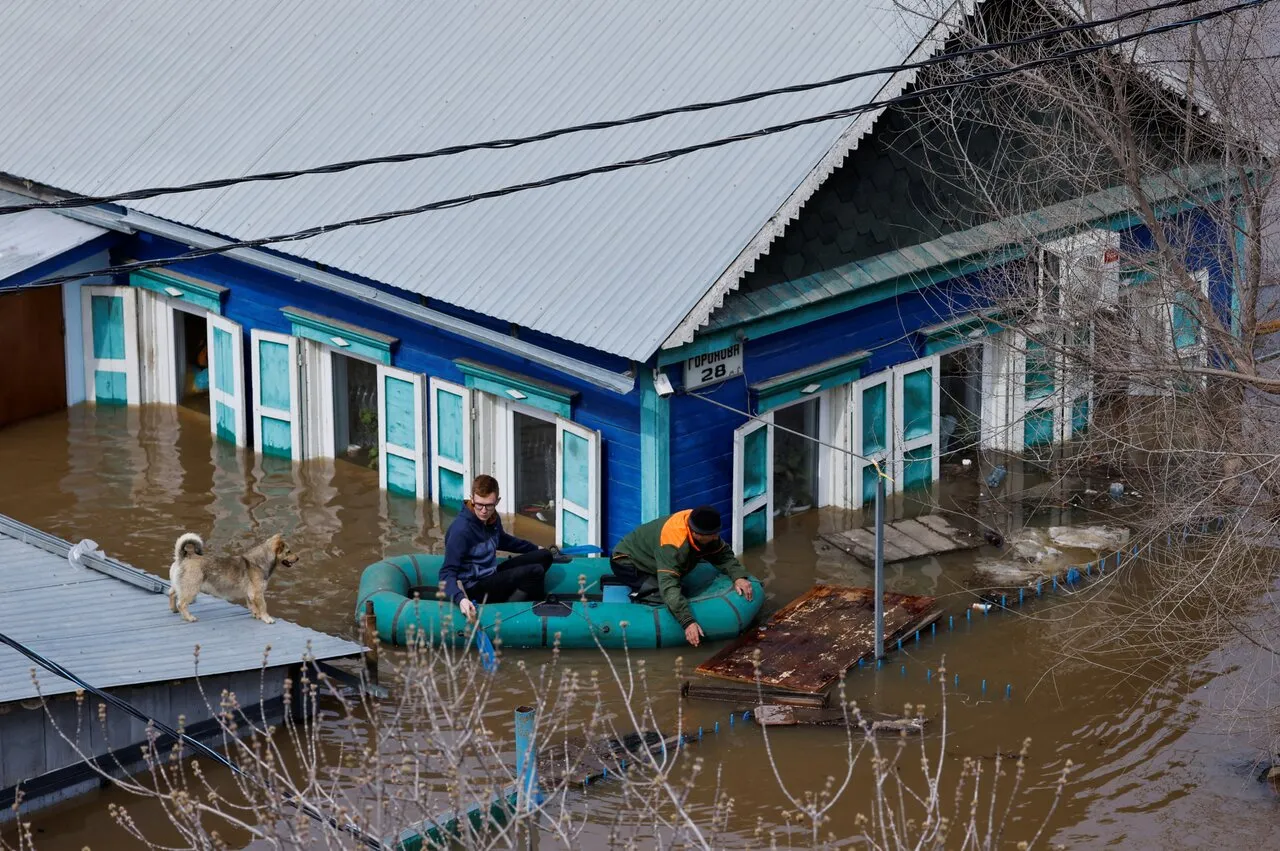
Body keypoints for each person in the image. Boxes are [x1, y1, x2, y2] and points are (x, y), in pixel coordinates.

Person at [609, 505, 756, 647]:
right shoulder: (673, 544)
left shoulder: (702, 526)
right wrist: (687, 621)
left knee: (681, 590)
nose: (716, 537)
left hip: (653, 558)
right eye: (712, 535)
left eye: (717, 533)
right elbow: (669, 585)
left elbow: (723, 556)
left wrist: (739, 576)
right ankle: (641, 598)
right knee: (669, 595)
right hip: (627, 562)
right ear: (696, 534)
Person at [439, 475, 555, 620]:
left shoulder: (492, 518)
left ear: (497, 501)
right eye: (479, 504)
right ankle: (513, 615)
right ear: (472, 499)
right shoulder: (461, 531)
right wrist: (460, 599)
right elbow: (446, 573)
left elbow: (503, 540)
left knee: (545, 556)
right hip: (474, 587)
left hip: (491, 574)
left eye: (489, 505)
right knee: (535, 571)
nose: (483, 511)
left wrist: (534, 548)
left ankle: (518, 594)